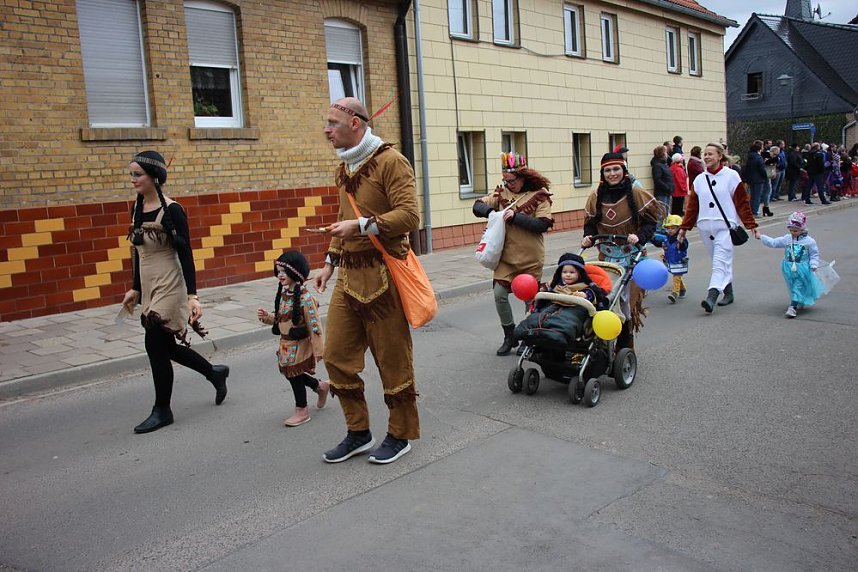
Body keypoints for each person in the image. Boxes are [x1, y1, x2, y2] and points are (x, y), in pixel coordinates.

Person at [314, 97, 420, 465]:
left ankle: (400, 434)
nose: (326, 130)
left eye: (332, 123)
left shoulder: (391, 161)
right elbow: (341, 217)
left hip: (384, 274)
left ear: (356, 123)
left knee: (392, 360)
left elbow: (410, 216)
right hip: (348, 275)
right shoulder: (345, 166)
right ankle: (358, 432)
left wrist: (361, 226)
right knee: (337, 356)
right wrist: (329, 260)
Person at [121, 151, 229, 434]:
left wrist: (193, 295)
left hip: (170, 285)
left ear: (154, 177)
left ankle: (162, 410)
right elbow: (138, 253)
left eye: (137, 174)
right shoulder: (137, 207)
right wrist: (135, 288)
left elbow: (186, 254)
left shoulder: (172, 211)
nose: (132, 179)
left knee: (153, 343)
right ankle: (214, 372)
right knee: (166, 347)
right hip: (149, 285)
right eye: (131, 174)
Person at [473, 154, 554, 356]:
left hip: (530, 257)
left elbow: (542, 224)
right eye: (505, 180)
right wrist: (490, 213)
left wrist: (515, 217)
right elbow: (477, 206)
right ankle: (509, 335)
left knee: (529, 298)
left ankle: (528, 337)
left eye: (512, 180)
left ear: (523, 177)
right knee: (499, 295)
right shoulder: (502, 193)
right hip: (506, 258)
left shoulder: (539, 195)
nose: (509, 184)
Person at [582, 152, 664, 349]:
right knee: (605, 295)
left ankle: (625, 339)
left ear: (624, 170)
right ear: (602, 173)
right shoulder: (596, 195)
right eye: (608, 170)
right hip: (607, 256)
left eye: (616, 169)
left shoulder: (636, 193)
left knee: (625, 300)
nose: (612, 174)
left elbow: (651, 222)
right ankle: (601, 336)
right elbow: (591, 223)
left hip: (631, 255)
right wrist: (588, 236)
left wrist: (640, 237)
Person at [678, 143, 760, 314]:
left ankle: (711, 296)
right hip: (705, 227)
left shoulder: (731, 176)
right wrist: (684, 229)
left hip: (725, 227)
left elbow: (742, 203)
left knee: (718, 262)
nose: (706, 157)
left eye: (710, 154)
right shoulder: (699, 179)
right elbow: (692, 207)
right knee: (719, 260)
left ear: (720, 156)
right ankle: (729, 293)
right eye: (705, 154)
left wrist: (751, 225)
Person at [257, 251, 329, 427]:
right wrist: (267, 317)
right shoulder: (284, 295)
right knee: (290, 374)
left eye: (284, 271)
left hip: (300, 343)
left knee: (294, 374)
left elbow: (315, 327)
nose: (280, 275)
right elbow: (282, 319)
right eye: (278, 271)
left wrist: (319, 351)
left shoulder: (305, 299)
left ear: (295, 273)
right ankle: (320, 386)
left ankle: (301, 410)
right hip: (285, 344)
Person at [513, 253, 608, 346]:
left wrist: (584, 295)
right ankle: (531, 329)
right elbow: (547, 290)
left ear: (579, 274)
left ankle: (557, 332)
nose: (568, 275)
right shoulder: (556, 285)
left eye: (572, 272)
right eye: (565, 272)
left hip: (574, 308)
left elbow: (592, 294)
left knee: (566, 319)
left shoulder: (584, 287)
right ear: (560, 273)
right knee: (541, 315)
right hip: (554, 304)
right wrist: (543, 291)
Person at [758, 211, 823, 318]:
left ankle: (792, 307)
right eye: (791, 230)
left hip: (802, 268)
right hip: (788, 268)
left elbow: (814, 254)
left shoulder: (809, 242)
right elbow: (774, 242)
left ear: (802, 229)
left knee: (798, 285)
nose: (793, 232)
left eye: (795, 230)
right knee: (793, 285)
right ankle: (797, 300)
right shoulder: (788, 239)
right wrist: (761, 237)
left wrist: (813, 265)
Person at [661, 214, 689, 304]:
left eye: (672, 228)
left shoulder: (681, 239)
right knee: (677, 276)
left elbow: (684, 246)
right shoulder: (666, 239)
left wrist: (681, 243)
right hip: (671, 261)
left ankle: (675, 292)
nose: (670, 230)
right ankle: (682, 289)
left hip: (679, 261)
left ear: (678, 228)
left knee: (676, 277)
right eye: (668, 228)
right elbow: (665, 247)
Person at [650, 145, 674, 231]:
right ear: (663, 154)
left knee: (666, 211)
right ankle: (658, 229)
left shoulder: (663, 164)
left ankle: (663, 228)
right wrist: (667, 187)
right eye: (666, 152)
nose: (667, 154)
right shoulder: (657, 165)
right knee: (661, 212)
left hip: (667, 191)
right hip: (662, 192)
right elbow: (657, 180)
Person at [742, 141, 768, 217]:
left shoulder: (749, 157)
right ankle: (755, 211)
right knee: (757, 196)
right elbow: (762, 169)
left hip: (750, 179)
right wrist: (765, 176)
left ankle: (750, 210)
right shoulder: (758, 158)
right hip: (758, 179)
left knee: (752, 195)